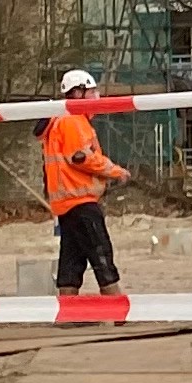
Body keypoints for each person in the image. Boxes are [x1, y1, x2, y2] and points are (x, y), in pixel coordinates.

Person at [44, 69, 129, 296]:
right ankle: (116, 306)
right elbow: (80, 157)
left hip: (67, 204)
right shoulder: (72, 120)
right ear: (79, 92)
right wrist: (115, 171)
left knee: (72, 257)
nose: (97, 96)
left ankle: (68, 310)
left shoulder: (61, 119)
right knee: (101, 252)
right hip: (80, 202)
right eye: (92, 91)